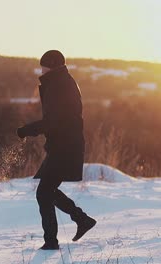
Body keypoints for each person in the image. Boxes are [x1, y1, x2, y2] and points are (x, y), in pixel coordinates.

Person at [17, 50, 96, 250]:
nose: (41, 69)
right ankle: (81, 220)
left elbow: (54, 121)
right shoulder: (61, 82)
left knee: (44, 192)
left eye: (43, 65)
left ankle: (52, 241)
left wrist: (28, 130)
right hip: (65, 145)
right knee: (47, 191)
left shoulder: (59, 85)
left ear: (50, 66)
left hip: (65, 146)